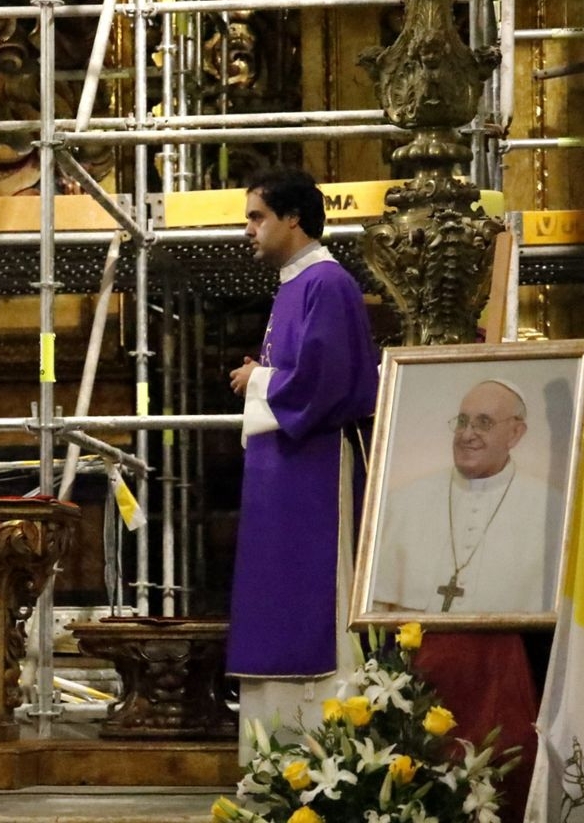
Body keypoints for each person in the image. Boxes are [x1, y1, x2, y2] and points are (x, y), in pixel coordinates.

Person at [225, 167, 379, 762]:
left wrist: (256, 378)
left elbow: (327, 380)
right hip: (282, 463)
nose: (248, 230)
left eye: (256, 216)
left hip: (313, 464)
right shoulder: (295, 284)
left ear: (294, 218)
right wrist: (265, 380)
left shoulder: (326, 283)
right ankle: (276, 752)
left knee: (313, 596)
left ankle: (324, 751)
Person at [372, 378, 562, 613]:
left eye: (484, 423)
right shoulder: (402, 503)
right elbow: (375, 617)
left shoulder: (553, 510)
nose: (467, 435)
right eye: (462, 422)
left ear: (515, 433)